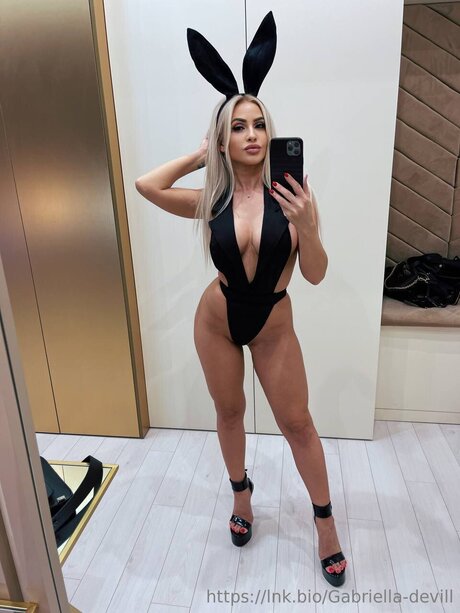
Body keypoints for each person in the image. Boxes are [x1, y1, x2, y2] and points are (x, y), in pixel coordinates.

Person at [135, 12, 347, 588]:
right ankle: (241, 495)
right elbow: (148, 186)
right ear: (223, 138)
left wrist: (310, 227)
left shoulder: (293, 196)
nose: (251, 134)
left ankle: (325, 523)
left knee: (297, 424)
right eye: (237, 127)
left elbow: (316, 275)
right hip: (217, 319)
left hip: (273, 323)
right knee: (229, 413)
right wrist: (199, 156)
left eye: (258, 124)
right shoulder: (212, 198)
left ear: (269, 133)